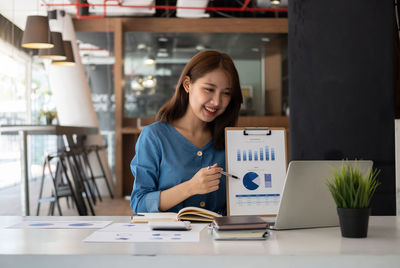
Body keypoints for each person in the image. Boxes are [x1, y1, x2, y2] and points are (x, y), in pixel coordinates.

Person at [130, 50, 243, 215]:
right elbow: (139, 203)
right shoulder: (154, 137)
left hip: (221, 238)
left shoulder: (231, 140)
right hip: (170, 238)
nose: (217, 102)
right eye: (209, 89)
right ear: (187, 84)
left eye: (226, 93)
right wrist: (190, 187)